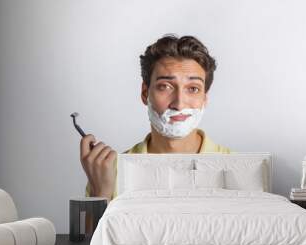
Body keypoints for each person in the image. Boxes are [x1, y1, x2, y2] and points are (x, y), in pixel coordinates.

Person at [80, 34, 231, 203]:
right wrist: (101, 194)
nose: (179, 103)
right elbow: (93, 231)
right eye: (165, 87)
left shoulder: (237, 169)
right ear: (145, 93)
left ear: (205, 98)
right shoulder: (110, 172)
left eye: (193, 89)